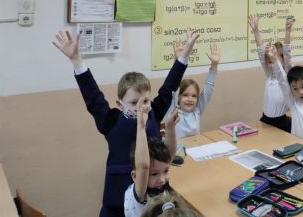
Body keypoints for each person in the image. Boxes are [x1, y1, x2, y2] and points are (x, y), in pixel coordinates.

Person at [52, 28, 199, 217]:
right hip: (117, 198)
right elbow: (93, 97)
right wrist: (76, 60)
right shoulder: (111, 120)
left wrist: (183, 58)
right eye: (134, 102)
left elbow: (168, 87)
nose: (141, 107)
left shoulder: (153, 113)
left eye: (145, 101)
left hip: (154, 191)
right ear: (120, 104)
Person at [124, 98, 178, 217]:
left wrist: (170, 126)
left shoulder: (159, 187)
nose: (162, 179)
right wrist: (141, 127)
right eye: (154, 174)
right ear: (135, 176)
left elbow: (169, 157)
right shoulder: (141, 195)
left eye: (166, 171)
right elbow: (143, 166)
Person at [248, 14, 294, 132]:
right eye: (269, 61)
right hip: (265, 120)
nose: (272, 63)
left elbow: (288, 54)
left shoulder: (286, 76)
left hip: (280, 123)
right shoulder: (269, 75)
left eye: (275, 59)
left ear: (283, 60)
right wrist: (256, 30)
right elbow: (261, 52)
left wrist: (288, 31)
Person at [165, 43, 221, 138]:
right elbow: (173, 82)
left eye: (194, 96)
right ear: (178, 97)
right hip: (176, 147)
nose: (190, 99)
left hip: (195, 146)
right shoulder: (174, 110)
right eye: (185, 95)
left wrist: (214, 65)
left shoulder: (197, 110)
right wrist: (178, 61)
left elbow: (208, 88)